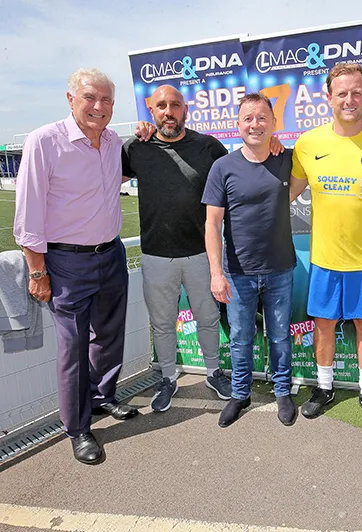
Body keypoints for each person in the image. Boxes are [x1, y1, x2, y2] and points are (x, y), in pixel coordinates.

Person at [14, 68, 138, 464]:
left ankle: (103, 398)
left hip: (111, 255)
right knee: (72, 349)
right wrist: (38, 271)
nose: (98, 107)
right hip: (66, 263)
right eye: (90, 98)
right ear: (71, 99)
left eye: (106, 100)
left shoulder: (114, 140)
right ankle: (78, 428)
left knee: (109, 337)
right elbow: (27, 216)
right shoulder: (43, 142)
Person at [289, 63, 362, 431]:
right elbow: (285, 194)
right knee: (323, 326)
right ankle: (323, 390)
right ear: (329, 97)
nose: (349, 100)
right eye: (342, 93)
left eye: (357, 92)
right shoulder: (308, 144)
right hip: (324, 259)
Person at [122, 85, 233, 412]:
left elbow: (237, 176)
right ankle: (168, 377)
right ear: (150, 110)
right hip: (156, 255)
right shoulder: (135, 149)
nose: (168, 112)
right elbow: (101, 177)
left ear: (185, 109)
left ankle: (214, 372)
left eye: (174, 105)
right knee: (162, 322)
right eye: (161, 106)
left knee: (208, 317)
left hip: (201, 255)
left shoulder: (208, 147)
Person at [203, 93, 297, 427]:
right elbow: (212, 224)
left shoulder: (288, 159)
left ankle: (282, 391)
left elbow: (329, 151)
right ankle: (239, 394)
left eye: (262, 118)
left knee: (280, 336)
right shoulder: (222, 167)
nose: (255, 124)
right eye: (248, 118)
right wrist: (216, 273)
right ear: (238, 124)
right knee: (240, 338)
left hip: (280, 269)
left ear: (273, 123)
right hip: (238, 272)